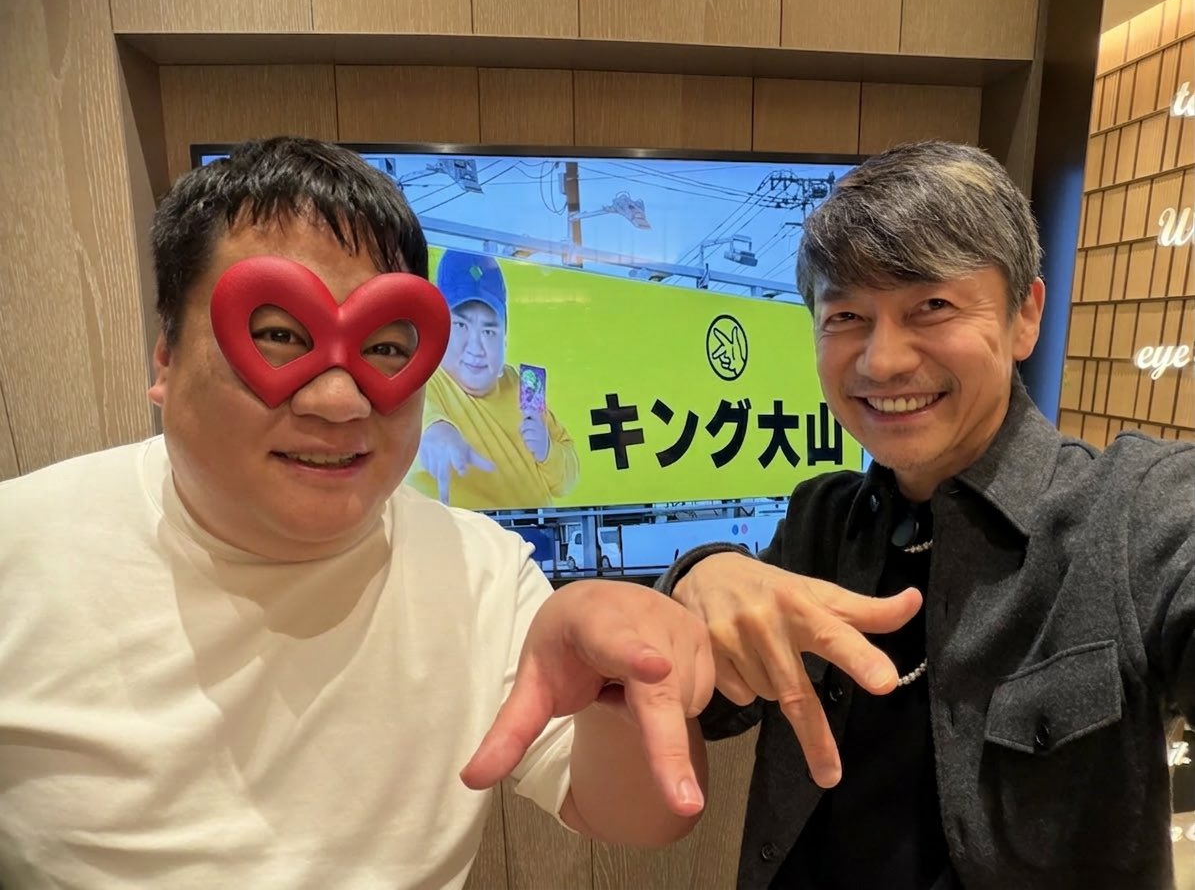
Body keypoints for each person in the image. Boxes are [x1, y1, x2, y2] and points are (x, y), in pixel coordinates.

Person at [0, 136, 714, 889]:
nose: (341, 401)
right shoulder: (20, 552)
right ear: (165, 359)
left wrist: (620, 685)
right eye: (278, 336)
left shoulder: (483, 572)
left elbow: (639, 816)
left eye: (385, 347)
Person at [660, 141, 1194, 889]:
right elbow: (702, 696)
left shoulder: (1131, 509)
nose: (881, 362)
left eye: (932, 306)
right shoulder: (819, 521)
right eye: (846, 314)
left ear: (1024, 315)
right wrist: (698, 576)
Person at [405, 249, 579, 509]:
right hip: (459, 531)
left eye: (488, 331)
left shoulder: (525, 383)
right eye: (461, 325)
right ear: (439, 330)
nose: (476, 347)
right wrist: (438, 433)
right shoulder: (421, 376)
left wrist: (546, 450)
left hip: (539, 529)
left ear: (504, 339)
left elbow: (567, 481)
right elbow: (420, 419)